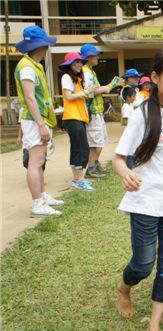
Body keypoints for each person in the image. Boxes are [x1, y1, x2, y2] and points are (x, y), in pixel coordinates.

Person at [113, 48, 163, 331]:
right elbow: (119, 158)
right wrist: (125, 173)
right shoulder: (141, 114)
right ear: (155, 77)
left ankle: (154, 326)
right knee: (144, 264)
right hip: (145, 200)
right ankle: (123, 288)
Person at [14, 25, 63, 217]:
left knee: (41, 160)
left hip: (40, 118)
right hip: (34, 120)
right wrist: (41, 125)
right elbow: (30, 98)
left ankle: (42, 196)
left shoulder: (34, 65)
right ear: (39, 46)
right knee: (35, 161)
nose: (47, 50)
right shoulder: (26, 67)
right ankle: (37, 204)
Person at [81, 43, 121, 179]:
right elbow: (90, 91)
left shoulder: (90, 71)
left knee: (100, 141)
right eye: (95, 55)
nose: (98, 57)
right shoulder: (86, 72)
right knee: (95, 143)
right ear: (88, 57)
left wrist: (109, 86)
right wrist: (108, 87)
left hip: (97, 111)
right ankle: (91, 168)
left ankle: (95, 165)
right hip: (92, 111)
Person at [59, 52, 94, 191]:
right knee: (82, 148)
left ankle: (77, 179)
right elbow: (68, 96)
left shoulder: (77, 80)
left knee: (77, 148)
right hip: (72, 117)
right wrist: (86, 92)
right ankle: (80, 179)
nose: (79, 65)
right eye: (76, 63)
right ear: (69, 65)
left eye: (80, 62)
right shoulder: (67, 77)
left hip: (79, 117)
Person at [120, 87, 137, 168]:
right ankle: (129, 166)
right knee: (130, 150)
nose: (135, 98)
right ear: (128, 97)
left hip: (133, 131)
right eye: (133, 96)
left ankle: (133, 164)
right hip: (130, 131)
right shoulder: (126, 107)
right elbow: (125, 121)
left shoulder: (130, 105)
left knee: (133, 148)